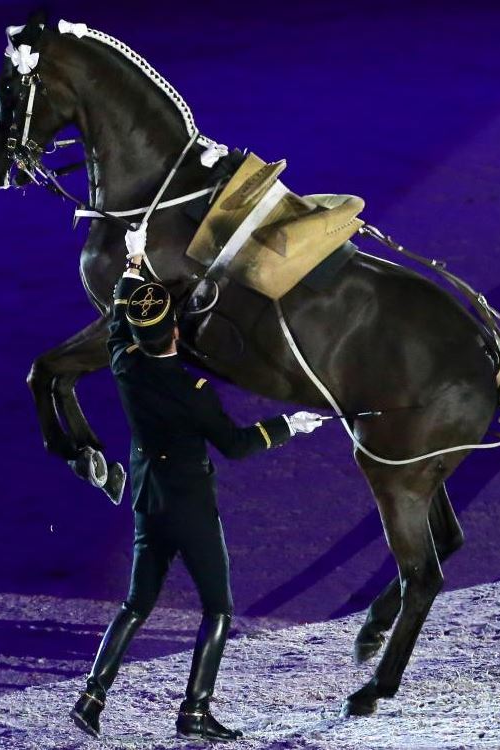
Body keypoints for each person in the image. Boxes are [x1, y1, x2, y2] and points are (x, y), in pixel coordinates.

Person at [69, 231, 326, 741]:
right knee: (219, 609)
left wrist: (135, 259)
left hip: (148, 498)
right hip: (189, 507)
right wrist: (286, 428)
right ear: (176, 336)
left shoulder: (125, 361)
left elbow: (122, 317)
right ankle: (194, 711)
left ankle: (92, 696)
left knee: (136, 605)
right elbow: (234, 444)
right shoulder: (194, 393)